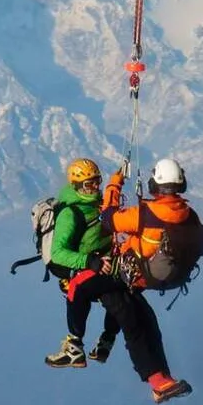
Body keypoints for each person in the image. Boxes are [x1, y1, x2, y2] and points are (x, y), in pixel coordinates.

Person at [92, 157, 196, 403]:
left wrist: (114, 184)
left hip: (131, 275)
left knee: (136, 325)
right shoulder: (188, 215)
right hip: (161, 277)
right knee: (145, 322)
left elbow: (107, 219)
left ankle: (159, 382)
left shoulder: (145, 214)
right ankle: (161, 380)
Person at [42, 158, 120, 369]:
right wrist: (88, 261)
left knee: (124, 291)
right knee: (80, 289)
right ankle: (74, 347)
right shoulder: (70, 214)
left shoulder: (96, 205)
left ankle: (103, 342)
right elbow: (58, 253)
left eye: (97, 181)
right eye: (89, 184)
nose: (95, 187)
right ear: (76, 185)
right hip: (85, 266)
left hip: (100, 262)